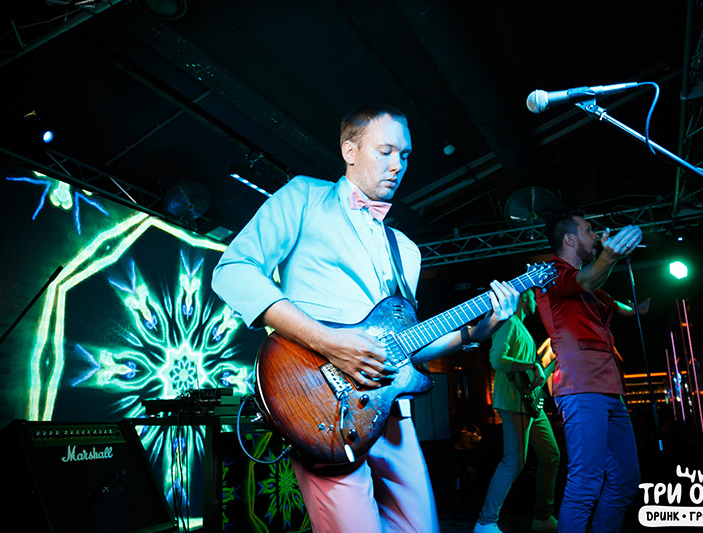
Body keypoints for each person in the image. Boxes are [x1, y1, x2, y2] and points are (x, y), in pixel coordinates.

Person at [211, 105, 520, 532]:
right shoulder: (304, 196)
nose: (398, 166)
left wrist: (475, 331)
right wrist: (328, 342)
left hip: (390, 409)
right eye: (385, 151)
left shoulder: (406, 249)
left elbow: (407, 343)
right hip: (322, 402)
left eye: (405, 155)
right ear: (350, 151)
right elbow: (233, 272)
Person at [535, 212, 649, 532]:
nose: (595, 235)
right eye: (588, 230)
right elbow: (586, 279)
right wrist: (609, 255)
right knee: (585, 482)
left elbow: (608, 298)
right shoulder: (550, 273)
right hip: (581, 385)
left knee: (626, 478)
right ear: (570, 239)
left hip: (609, 385)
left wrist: (638, 309)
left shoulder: (591, 287)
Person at [474, 289, 560, 533]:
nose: (536, 301)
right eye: (533, 296)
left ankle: (542, 517)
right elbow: (497, 360)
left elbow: (530, 372)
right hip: (513, 402)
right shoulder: (509, 322)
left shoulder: (521, 327)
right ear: (523, 297)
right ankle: (485, 522)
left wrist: (543, 369)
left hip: (529, 402)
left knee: (550, 455)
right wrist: (532, 365)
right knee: (513, 462)